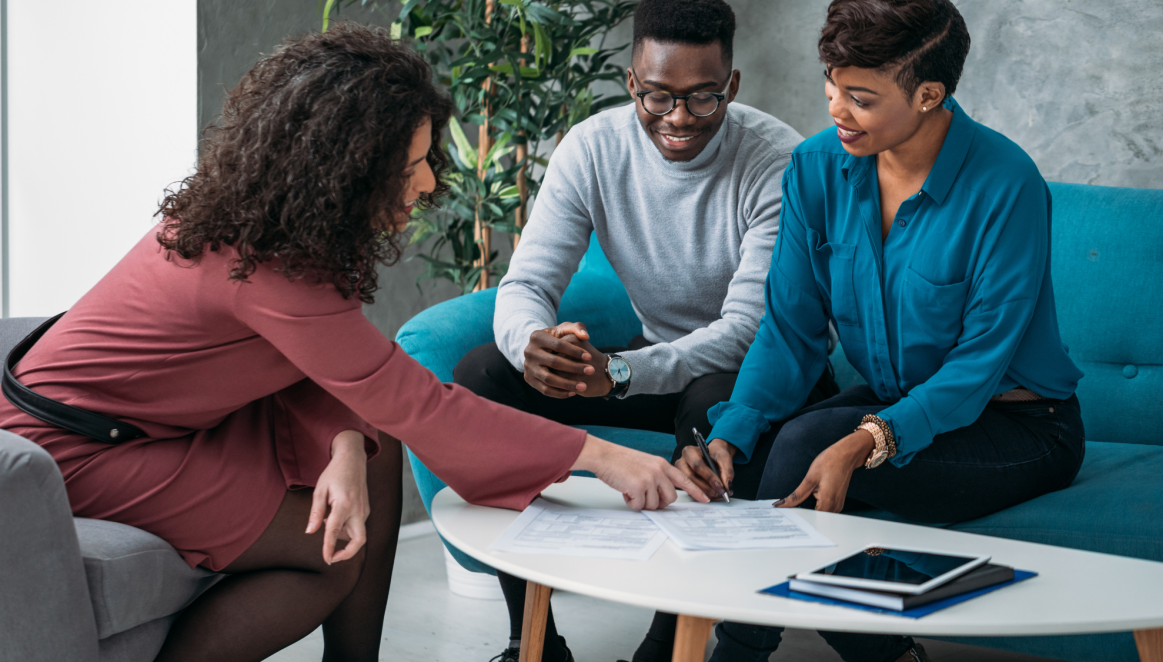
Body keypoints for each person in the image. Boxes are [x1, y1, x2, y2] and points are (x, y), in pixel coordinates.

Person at [0, 24, 707, 662]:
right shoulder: (267, 270)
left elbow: (324, 372)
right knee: (335, 553)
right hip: (78, 448)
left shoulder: (272, 229)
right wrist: (599, 456)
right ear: (347, 168)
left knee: (374, 445)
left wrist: (342, 441)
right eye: (411, 167)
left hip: (148, 422)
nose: (429, 184)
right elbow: (418, 402)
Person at [676, 1, 1087, 660]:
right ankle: (886, 654)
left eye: (860, 98)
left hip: (1019, 424)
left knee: (810, 440)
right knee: (747, 449)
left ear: (929, 94)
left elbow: (979, 363)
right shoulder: (816, 168)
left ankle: (736, 652)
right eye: (831, 86)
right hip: (896, 403)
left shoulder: (1006, 185)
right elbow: (790, 328)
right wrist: (733, 430)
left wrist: (874, 436)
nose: (836, 108)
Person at [451, 1, 838, 660]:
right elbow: (524, 287)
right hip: (655, 361)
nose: (679, 118)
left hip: (766, 376)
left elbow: (750, 330)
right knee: (482, 379)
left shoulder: (779, 162)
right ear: (632, 82)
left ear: (733, 86)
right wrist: (532, 346)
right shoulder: (593, 149)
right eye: (657, 97)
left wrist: (621, 371)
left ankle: (664, 646)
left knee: (708, 401)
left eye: (702, 98)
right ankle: (532, 640)